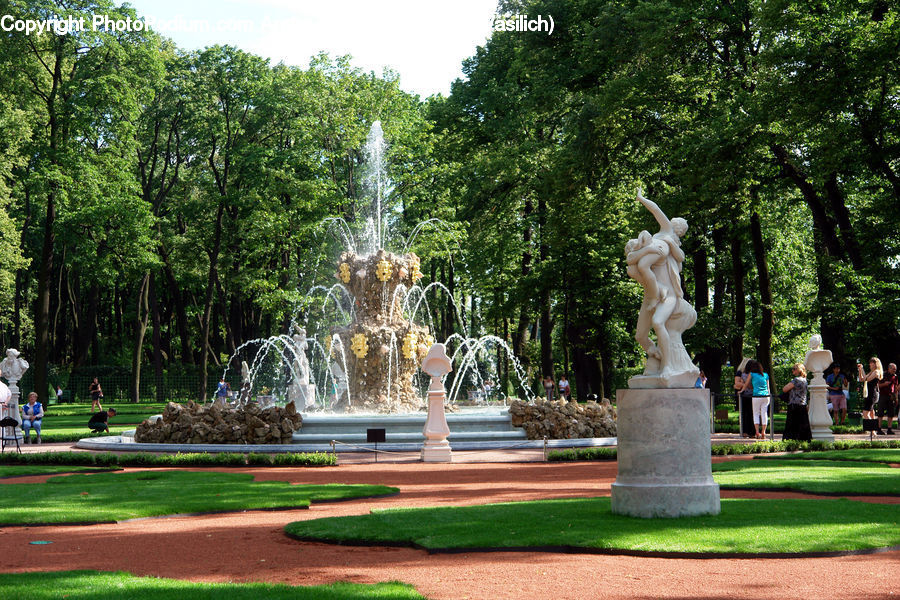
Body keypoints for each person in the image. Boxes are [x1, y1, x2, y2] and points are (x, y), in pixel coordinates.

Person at [741, 360, 771, 439]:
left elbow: (746, 384)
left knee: (756, 414)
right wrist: (769, 396)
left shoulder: (752, 374)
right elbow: (768, 387)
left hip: (756, 396)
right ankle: (763, 432)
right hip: (766, 396)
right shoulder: (765, 375)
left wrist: (741, 391)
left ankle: (757, 431)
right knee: (764, 414)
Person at [781, 363, 811, 442]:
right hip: (802, 404)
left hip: (794, 405)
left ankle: (790, 440)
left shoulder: (796, 380)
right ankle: (803, 441)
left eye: (794, 368)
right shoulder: (805, 381)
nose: (792, 370)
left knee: (792, 425)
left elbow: (784, 389)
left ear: (799, 370)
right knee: (803, 425)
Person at [857, 357, 882, 429]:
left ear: (875, 364)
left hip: (872, 395)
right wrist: (860, 370)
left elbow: (866, 379)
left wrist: (862, 370)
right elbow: (862, 379)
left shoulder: (876, 372)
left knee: (865, 413)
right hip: (870, 394)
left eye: (872, 363)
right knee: (871, 413)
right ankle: (874, 432)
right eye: (870, 362)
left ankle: (872, 430)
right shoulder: (872, 372)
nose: (870, 364)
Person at [734, 358, 755, 438]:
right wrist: (746, 385)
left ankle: (752, 432)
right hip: (744, 396)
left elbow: (738, 384)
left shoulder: (752, 373)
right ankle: (745, 431)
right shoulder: (739, 372)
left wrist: (743, 383)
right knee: (745, 414)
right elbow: (736, 383)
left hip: (752, 395)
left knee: (752, 414)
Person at [876, 362, 897, 435]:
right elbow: (877, 386)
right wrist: (884, 384)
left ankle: (889, 429)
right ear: (889, 368)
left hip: (891, 396)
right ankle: (878, 429)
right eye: (893, 369)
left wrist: (896, 398)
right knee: (880, 413)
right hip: (882, 395)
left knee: (891, 413)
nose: (895, 370)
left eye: (895, 369)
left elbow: (895, 387)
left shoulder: (895, 376)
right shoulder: (883, 374)